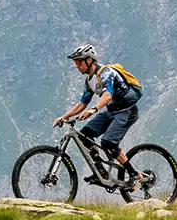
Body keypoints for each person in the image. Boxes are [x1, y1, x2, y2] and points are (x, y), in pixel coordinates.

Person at [53, 43, 144, 189]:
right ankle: (101, 172)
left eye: (79, 62)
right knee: (85, 135)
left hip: (126, 111)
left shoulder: (105, 72)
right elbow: (82, 103)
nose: (77, 66)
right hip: (111, 111)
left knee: (108, 143)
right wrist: (64, 117)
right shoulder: (89, 80)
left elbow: (107, 95)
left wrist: (93, 110)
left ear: (89, 60)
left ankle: (134, 174)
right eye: (76, 63)